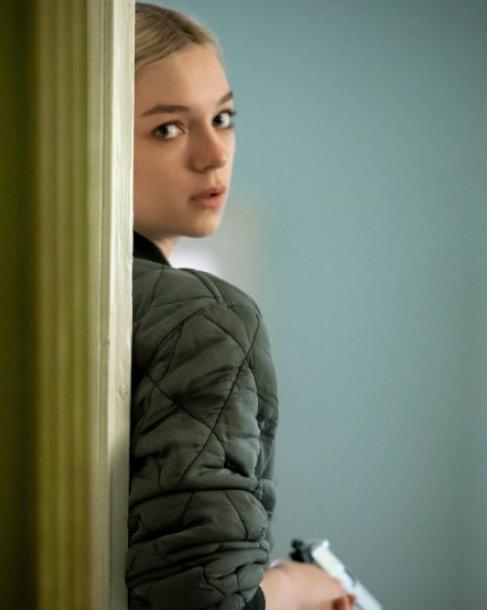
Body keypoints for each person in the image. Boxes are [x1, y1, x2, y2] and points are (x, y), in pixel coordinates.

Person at [128, 4, 358, 610]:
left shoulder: (10, 296)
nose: (214, 154)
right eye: (168, 129)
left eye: (222, 118)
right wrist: (294, 588)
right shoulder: (203, 318)